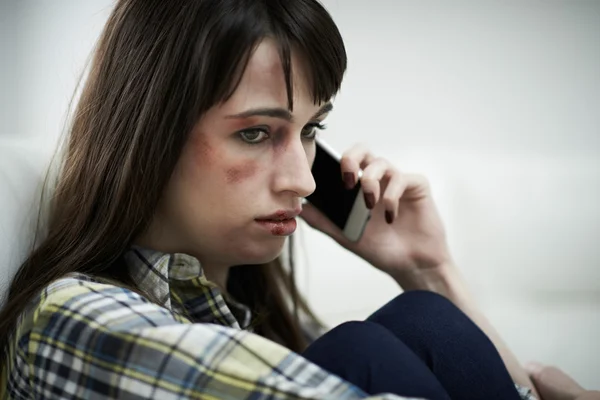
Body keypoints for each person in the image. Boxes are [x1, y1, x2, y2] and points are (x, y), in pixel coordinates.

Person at [0, 0, 596, 399]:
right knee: (367, 346)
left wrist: (427, 270)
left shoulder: (267, 324)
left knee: (424, 321)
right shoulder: (72, 317)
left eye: (312, 132)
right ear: (149, 135)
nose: (305, 181)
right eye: (255, 134)